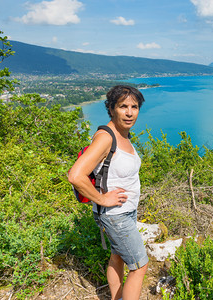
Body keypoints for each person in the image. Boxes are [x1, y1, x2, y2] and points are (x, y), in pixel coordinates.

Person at [68, 85, 147, 300]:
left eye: (134, 107)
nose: (130, 112)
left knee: (117, 256)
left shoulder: (123, 134)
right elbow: (75, 176)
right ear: (111, 109)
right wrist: (102, 198)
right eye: (123, 106)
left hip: (125, 212)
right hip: (115, 216)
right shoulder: (106, 137)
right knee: (139, 266)